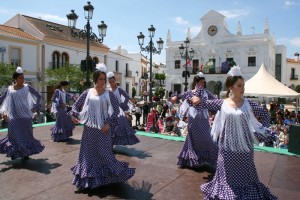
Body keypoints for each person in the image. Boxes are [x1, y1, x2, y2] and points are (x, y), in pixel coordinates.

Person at [196, 66, 277, 199]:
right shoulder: (222, 103)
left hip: (245, 147)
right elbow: (204, 103)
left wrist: (262, 131)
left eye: (243, 85)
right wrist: (196, 100)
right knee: (227, 174)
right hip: (227, 147)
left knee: (246, 173)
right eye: (239, 85)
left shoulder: (249, 104)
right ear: (231, 87)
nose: (243, 88)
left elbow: (266, 115)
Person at [69, 63, 135, 190]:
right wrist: (74, 115)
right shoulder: (87, 92)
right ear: (95, 79)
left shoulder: (108, 94)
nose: (103, 82)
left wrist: (108, 123)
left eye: (104, 79)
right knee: (88, 155)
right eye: (101, 79)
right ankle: (90, 179)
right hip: (89, 129)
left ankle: (114, 175)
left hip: (103, 130)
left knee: (105, 154)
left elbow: (116, 111)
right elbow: (75, 106)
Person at [172, 71, 218, 169]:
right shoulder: (190, 93)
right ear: (196, 82)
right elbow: (181, 95)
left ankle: (211, 157)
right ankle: (192, 160)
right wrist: (175, 97)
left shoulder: (206, 92)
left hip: (203, 120)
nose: (202, 84)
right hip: (193, 120)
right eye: (201, 82)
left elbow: (215, 100)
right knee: (192, 139)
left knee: (207, 138)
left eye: (203, 82)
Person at [0, 67, 44, 160]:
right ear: (15, 79)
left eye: (23, 77)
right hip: (13, 116)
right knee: (13, 136)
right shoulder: (9, 89)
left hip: (25, 116)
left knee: (26, 136)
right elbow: (2, 99)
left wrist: (35, 107)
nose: (23, 79)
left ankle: (25, 153)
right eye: (20, 78)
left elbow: (38, 96)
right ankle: (15, 152)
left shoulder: (27, 87)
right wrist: (3, 112)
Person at [107, 71, 140, 146]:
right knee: (110, 126)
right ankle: (110, 143)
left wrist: (122, 105)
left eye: (112, 81)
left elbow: (127, 97)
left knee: (120, 126)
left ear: (115, 80)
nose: (111, 83)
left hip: (118, 110)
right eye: (110, 82)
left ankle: (118, 142)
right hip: (109, 110)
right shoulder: (108, 89)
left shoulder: (119, 89)